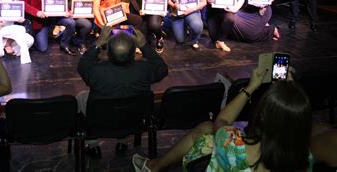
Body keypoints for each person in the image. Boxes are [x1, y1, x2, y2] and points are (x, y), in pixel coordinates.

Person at [132, 70, 320, 171]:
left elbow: (221, 120)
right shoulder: (306, 159)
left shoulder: (235, 148)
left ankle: (153, 167)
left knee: (207, 132)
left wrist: (251, 87)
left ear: (262, 117)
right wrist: (291, 90)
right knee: (206, 128)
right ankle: (154, 166)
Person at [77, 25, 168, 155]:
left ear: (108, 53)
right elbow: (162, 68)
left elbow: (83, 65)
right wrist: (144, 46)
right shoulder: (144, 70)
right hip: (134, 119)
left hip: (101, 120)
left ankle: (92, 145)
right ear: (133, 54)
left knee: (81, 96)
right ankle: (122, 141)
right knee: (127, 100)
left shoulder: (96, 72)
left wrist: (98, 43)